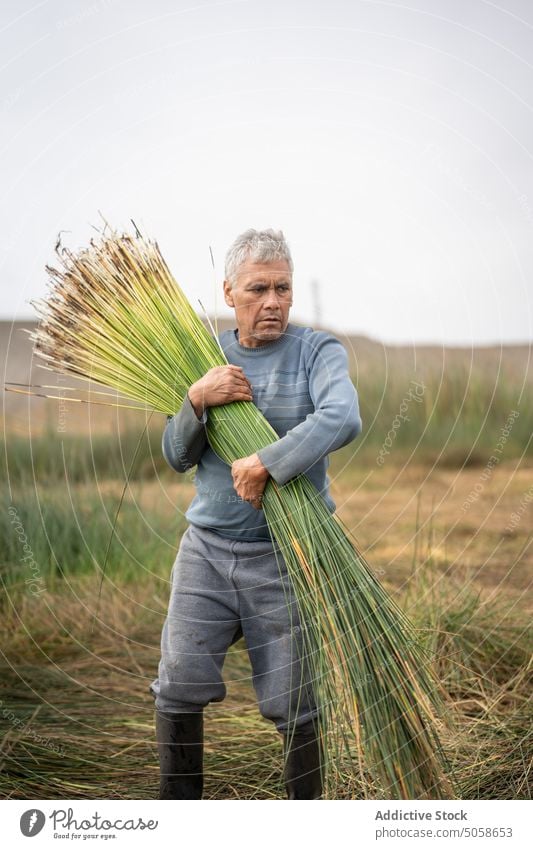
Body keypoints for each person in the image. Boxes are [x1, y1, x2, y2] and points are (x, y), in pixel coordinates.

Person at [149, 228, 362, 799]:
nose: (272, 301)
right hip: (208, 552)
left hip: (287, 556)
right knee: (177, 687)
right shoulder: (204, 360)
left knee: (296, 702)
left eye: (283, 288)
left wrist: (267, 462)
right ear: (229, 292)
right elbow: (174, 455)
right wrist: (196, 399)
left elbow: (343, 417)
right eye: (258, 289)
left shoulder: (318, 351)